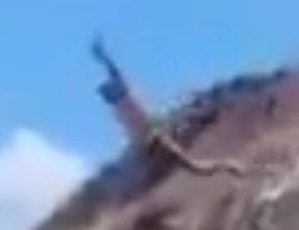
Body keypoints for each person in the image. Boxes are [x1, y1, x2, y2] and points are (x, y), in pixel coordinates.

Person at [90, 36, 246, 178]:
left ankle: (231, 167)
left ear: (115, 91)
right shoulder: (118, 110)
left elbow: (115, 73)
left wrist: (103, 57)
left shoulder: (127, 99)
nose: (106, 96)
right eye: (105, 94)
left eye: (107, 92)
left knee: (193, 167)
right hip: (148, 148)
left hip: (156, 141)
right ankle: (230, 168)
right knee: (190, 168)